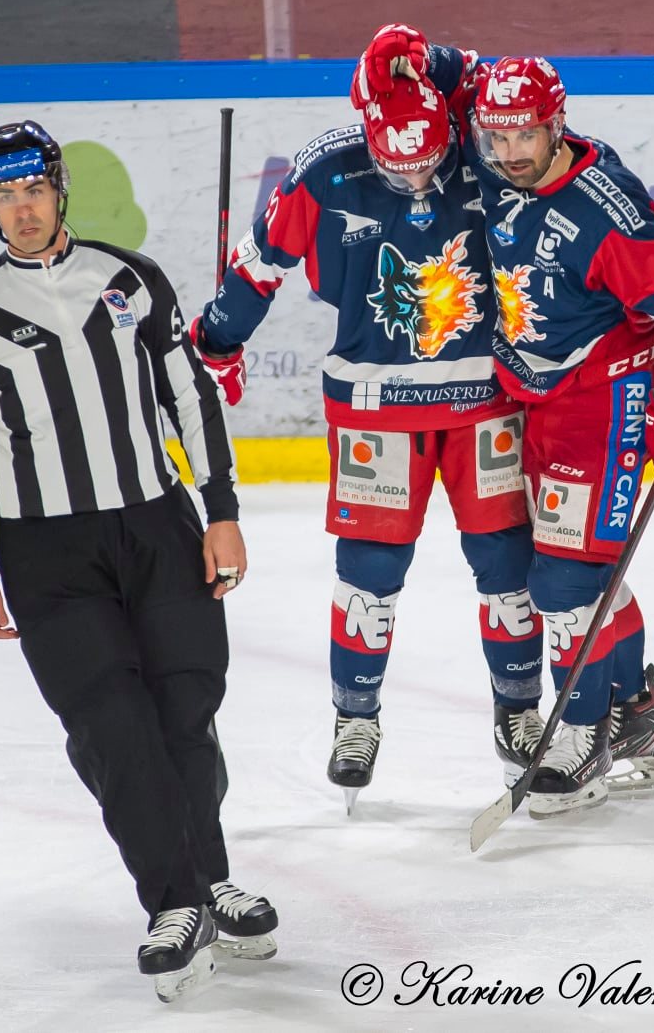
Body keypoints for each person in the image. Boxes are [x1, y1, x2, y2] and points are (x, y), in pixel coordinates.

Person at [0, 120, 276, 1001]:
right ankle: (174, 903)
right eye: (4, 196)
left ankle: (206, 879)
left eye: (33, 190)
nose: (22, 209)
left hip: (158, 525)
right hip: (47, 553)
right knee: (112, 725)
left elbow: (190, 395)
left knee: (185, 708)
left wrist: (220, 510)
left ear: (58, 191)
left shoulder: (130, 280)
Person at [355, 26, 654, 816]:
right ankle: (634, 719)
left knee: (560, 581)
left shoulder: (605, 213)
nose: (510, 150)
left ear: (557, 125)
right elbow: (467, 75)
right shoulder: (495, 141)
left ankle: (580, 734)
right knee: (583, 574)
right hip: (533, 396)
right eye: (497, 134)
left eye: (527, 134)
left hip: (604, 398)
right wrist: (417, 60)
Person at [190, 69, 545, 811]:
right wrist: (218, 342)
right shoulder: (326, 169)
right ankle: (356, 719)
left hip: (483, 397)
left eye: (428, 159)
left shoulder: (486, 146)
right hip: (373, 401)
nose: (416, 175)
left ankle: (518, 708)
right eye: (397, 162)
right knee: (369, 571)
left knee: (506, 562)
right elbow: (262, 263)